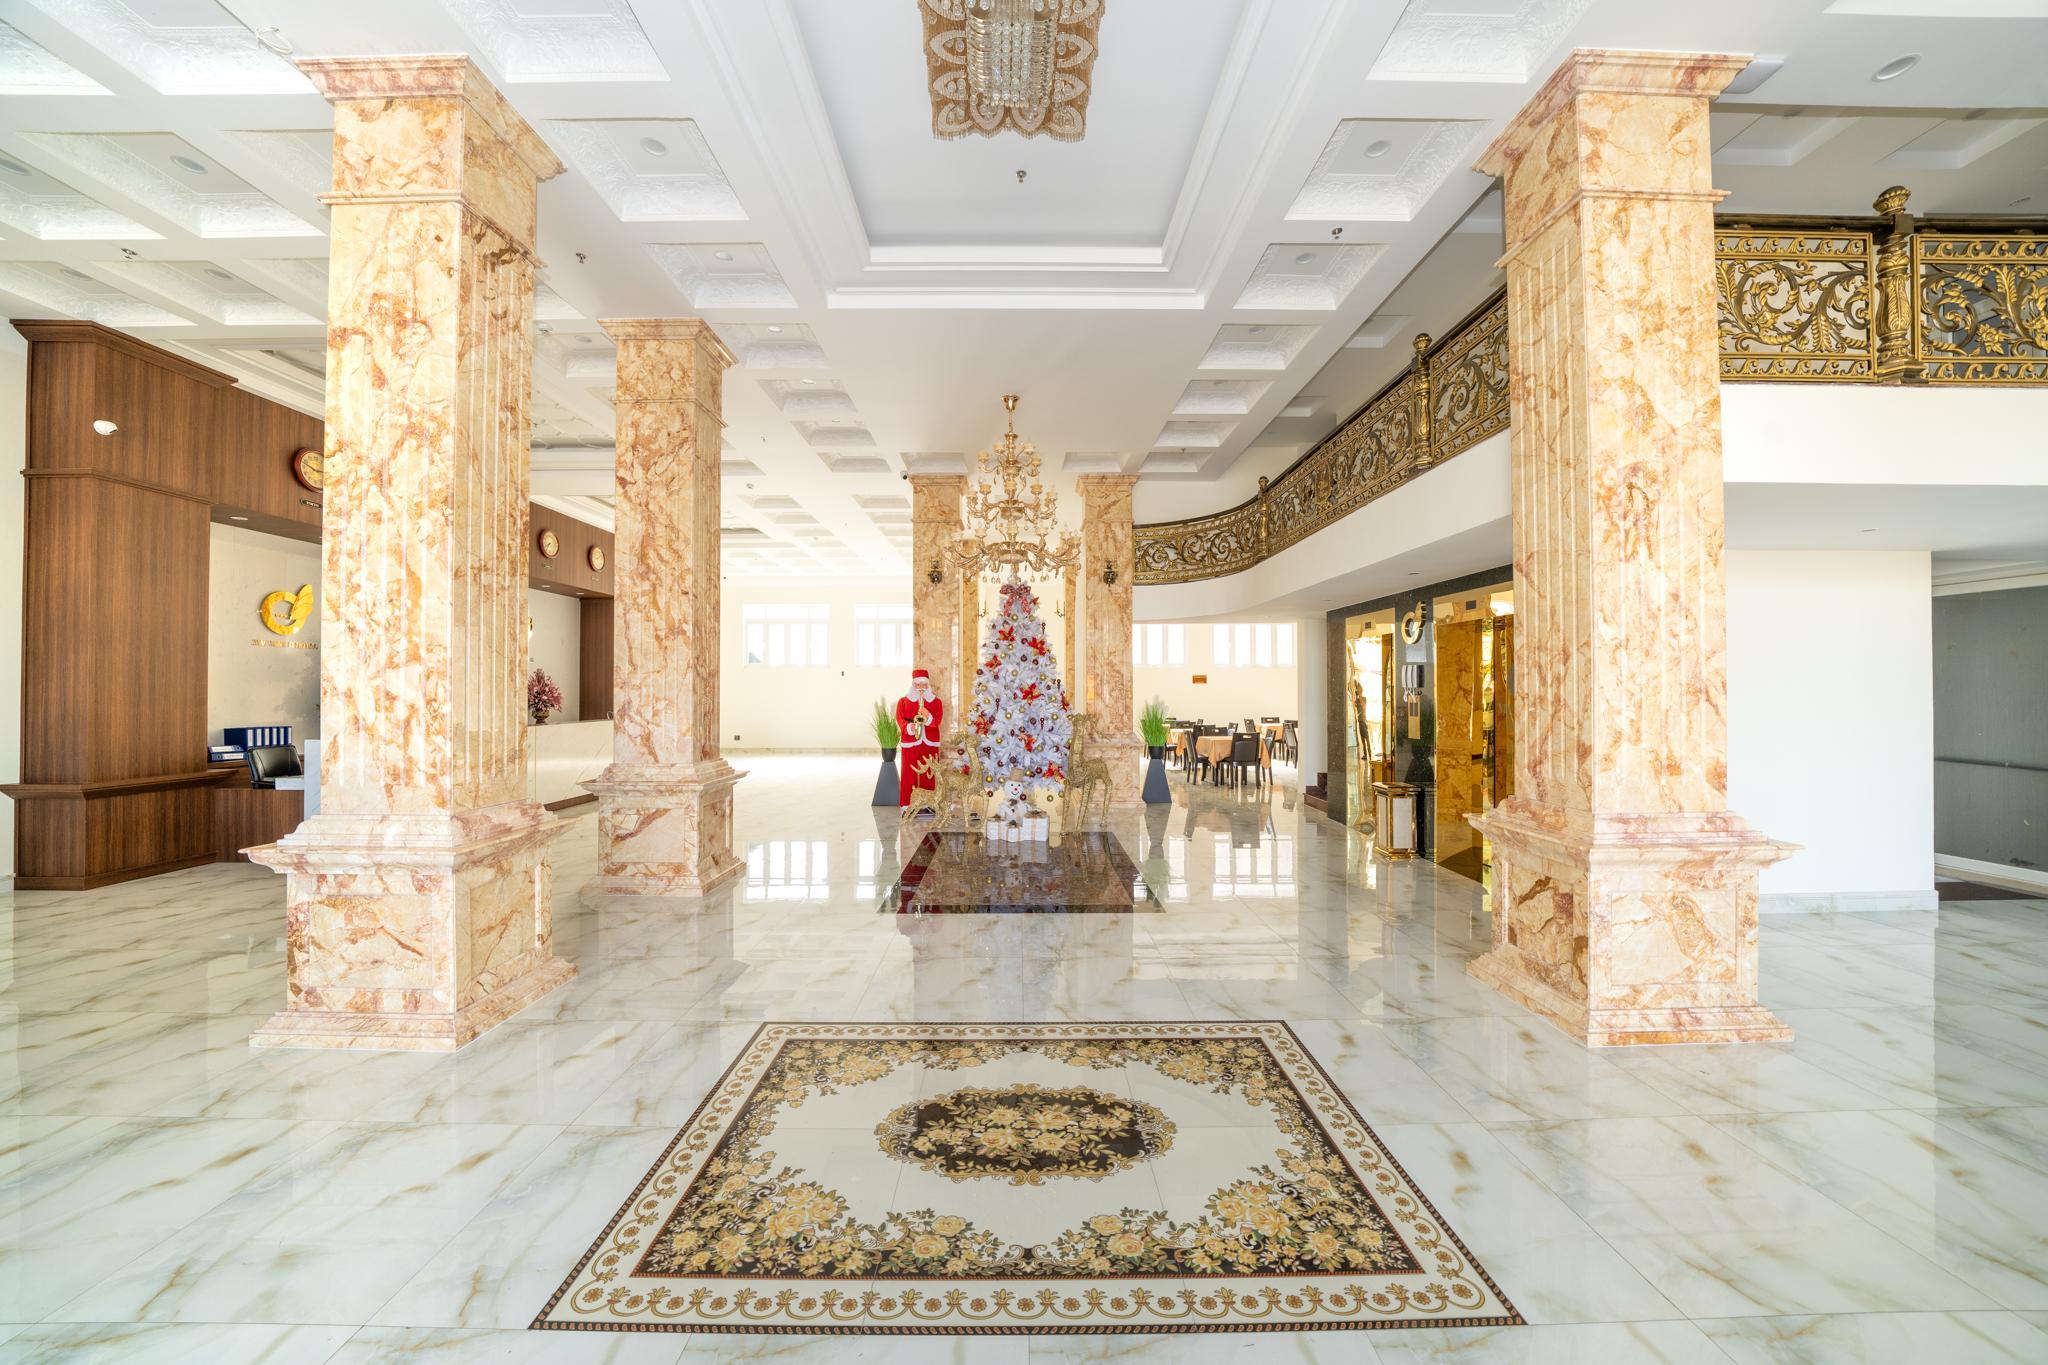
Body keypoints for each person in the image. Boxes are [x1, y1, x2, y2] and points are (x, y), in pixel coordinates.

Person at [895, 667, 945, 807]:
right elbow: (900, 719)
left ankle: (928, 804)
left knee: (929, 773)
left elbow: (937, 721)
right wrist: (909, 727)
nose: (921, 688)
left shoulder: (936, 702)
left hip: (930, 741)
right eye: (918, 684)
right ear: (913, 685)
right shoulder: (903, 701)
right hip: (910, 740)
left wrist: (928, 717)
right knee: (908, 772)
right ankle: (906, 804)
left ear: (928, 685)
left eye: (924, 684)